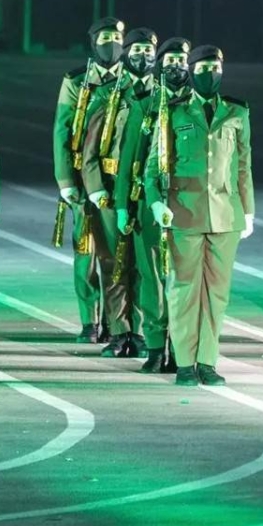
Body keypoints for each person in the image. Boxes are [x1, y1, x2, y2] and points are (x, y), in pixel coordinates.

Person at [145, 44, 254, 386]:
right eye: (204, 69)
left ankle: (207, 362)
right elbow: (153, 167)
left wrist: (248, 209)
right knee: (183, 291)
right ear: (192, 72)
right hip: (184, 213)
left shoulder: (237, 112)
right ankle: (184, 364)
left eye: (215, 68)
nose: (211, 74)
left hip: (226, 215)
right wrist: (156, 203)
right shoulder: (174, 112)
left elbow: (243, 166)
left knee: (217, 294)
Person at [79, 27, 158, 358]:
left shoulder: (162, 96)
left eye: (148, 51)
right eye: (136, 50)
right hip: (111, 190)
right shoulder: (110, 94)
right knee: (113, 263)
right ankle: (118, 331)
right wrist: (95, 188)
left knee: (142, 265)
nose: (142, 56)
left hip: (146, 192)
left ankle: (139, 331)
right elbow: (89, 150)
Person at [52, 17, 129, 344]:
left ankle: (114, 321)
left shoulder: (130, 80)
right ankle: (89, 320)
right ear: (93, 43)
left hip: (116, 179)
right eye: (104, 39)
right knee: (85, 253)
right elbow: (62, 130)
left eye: (116, 38)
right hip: (82, 181)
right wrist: (65, 180)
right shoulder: (77, 82)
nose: (111, 44)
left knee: (114, 254)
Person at [111, 30, 179, 373]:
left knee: (182, 284)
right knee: (152, 280)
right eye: (171, 61)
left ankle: (181, 349)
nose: (177, 67)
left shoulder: (197, 107)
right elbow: (128, 160)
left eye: (183, 61)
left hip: (188, 208)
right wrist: (123, 206)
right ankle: (154, 346)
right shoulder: (145, 105)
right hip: (147, 207)